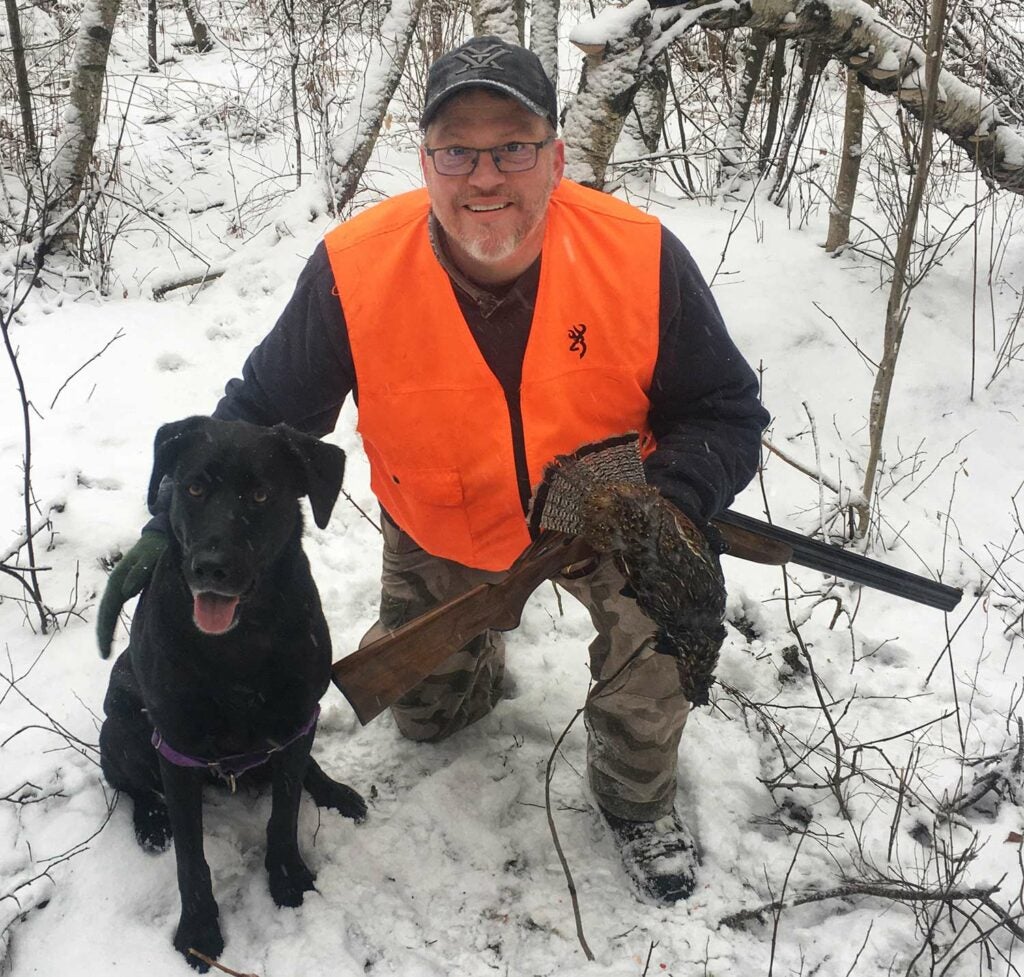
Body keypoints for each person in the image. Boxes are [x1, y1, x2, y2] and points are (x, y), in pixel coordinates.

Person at [99, 35, 769, 906]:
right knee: (428, 718)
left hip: (608, 522)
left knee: (662, 631)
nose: (484, 175)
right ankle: (477, 645)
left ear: (556, 157)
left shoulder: (637, 256)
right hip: (441, 524)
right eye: (457, 150)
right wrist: (167, 525)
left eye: (513, 147)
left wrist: (671, 503)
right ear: (426, 162)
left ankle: (637, 800)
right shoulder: (357, 267)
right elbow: (266, 409)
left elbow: (727, 410)